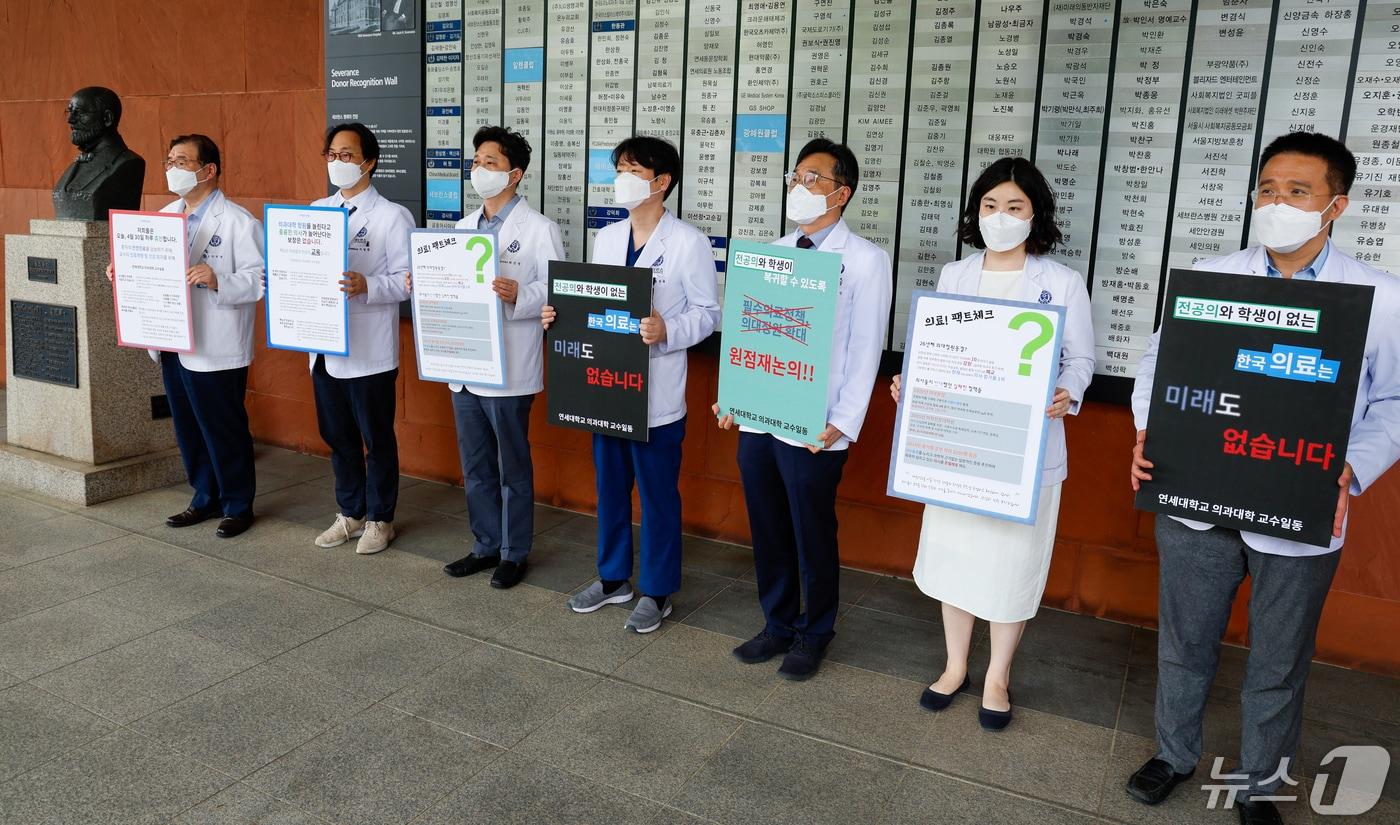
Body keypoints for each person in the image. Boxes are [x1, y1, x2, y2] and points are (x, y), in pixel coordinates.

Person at [1126, 132, 1400, 825]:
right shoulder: (1213, 275)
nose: (1278, 203)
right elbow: (1160, 365)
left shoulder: (1380, 298)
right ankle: (1174, 753)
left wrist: (1351, 466)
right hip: (1194, 499)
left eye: (1297, 192)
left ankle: (1258, 785)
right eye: (1269, 189)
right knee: (1185, 642)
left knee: (1279, 660)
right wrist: (1145, 431)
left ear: (1335, 205)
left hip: (1301, 505)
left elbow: (1395, 402)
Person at [889, 157, 1094, 727]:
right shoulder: (957, 275)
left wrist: (1067, 392)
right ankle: (955, 666)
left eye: (1014, 207)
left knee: (1011, 563)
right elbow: (936, 350)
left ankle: (998, 674)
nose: (1000, 218)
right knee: (956, 557)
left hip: (1021, 452)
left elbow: (1081, 359)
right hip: (958, 444)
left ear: (1035, 215)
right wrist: (914, 381)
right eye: (989, 206)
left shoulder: (1060, 282)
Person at [716, 138, 893, 681]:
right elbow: (752, 333)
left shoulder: (864, 261)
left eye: (812, 178)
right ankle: (776, 623)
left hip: (818, 424)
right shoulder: (773, 251)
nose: (800, 186)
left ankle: (815, 631)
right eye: (796, 176)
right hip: (761, 417)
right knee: (768, 525)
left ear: (842, 192)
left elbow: (866, 349)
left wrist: (844, 421)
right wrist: (734, 397)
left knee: (811, 530)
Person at [542, 135, 721, 633]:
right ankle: (613, 578)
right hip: (606, 386)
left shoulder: (688, 242)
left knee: (659, 495)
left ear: (661, 182)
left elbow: (708, 315)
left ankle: (658, 590)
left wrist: (669, 330)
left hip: (656, 395)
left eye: (633, 169)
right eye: (619, 167)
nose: (621, 177)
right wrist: (560, 315)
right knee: (611, 488)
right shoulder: (607, 237)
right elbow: (593, 303)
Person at [106, 134, 263, 538]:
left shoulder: (240, 222)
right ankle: (204, 497)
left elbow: (261, 280)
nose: (172, 169)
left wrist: (219, 279)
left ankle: (237, 505)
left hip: (216, 343)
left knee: (222, 426)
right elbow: (147, 265)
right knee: (188, 426)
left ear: (208, 170)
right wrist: (121, 270)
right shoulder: (163, 215)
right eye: (169, 161)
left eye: (182, 161)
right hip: (173, 336)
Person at [438, 126, 563, 588]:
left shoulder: (539, 229)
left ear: (515, 173)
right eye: (476, 161)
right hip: (465, 364)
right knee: (475, 465)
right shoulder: (462, 228)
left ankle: (514, 551)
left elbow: (556, 291)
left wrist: (521, 295)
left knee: (512, 466)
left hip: (509, 366)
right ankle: (484, 544)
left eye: (489, 162)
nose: (479, 169)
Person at [309, 123, 414, 555]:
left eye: (347, 155)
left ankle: (380, 518)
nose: (338, 162)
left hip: (370, 349)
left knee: (376, 437)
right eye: (332, 154)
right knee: (338, 436)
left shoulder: (392, 216)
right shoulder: (316, 210)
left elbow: (408, 282)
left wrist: (367, 285)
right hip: (323, 344)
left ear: (369, 161)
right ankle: (350, 512)